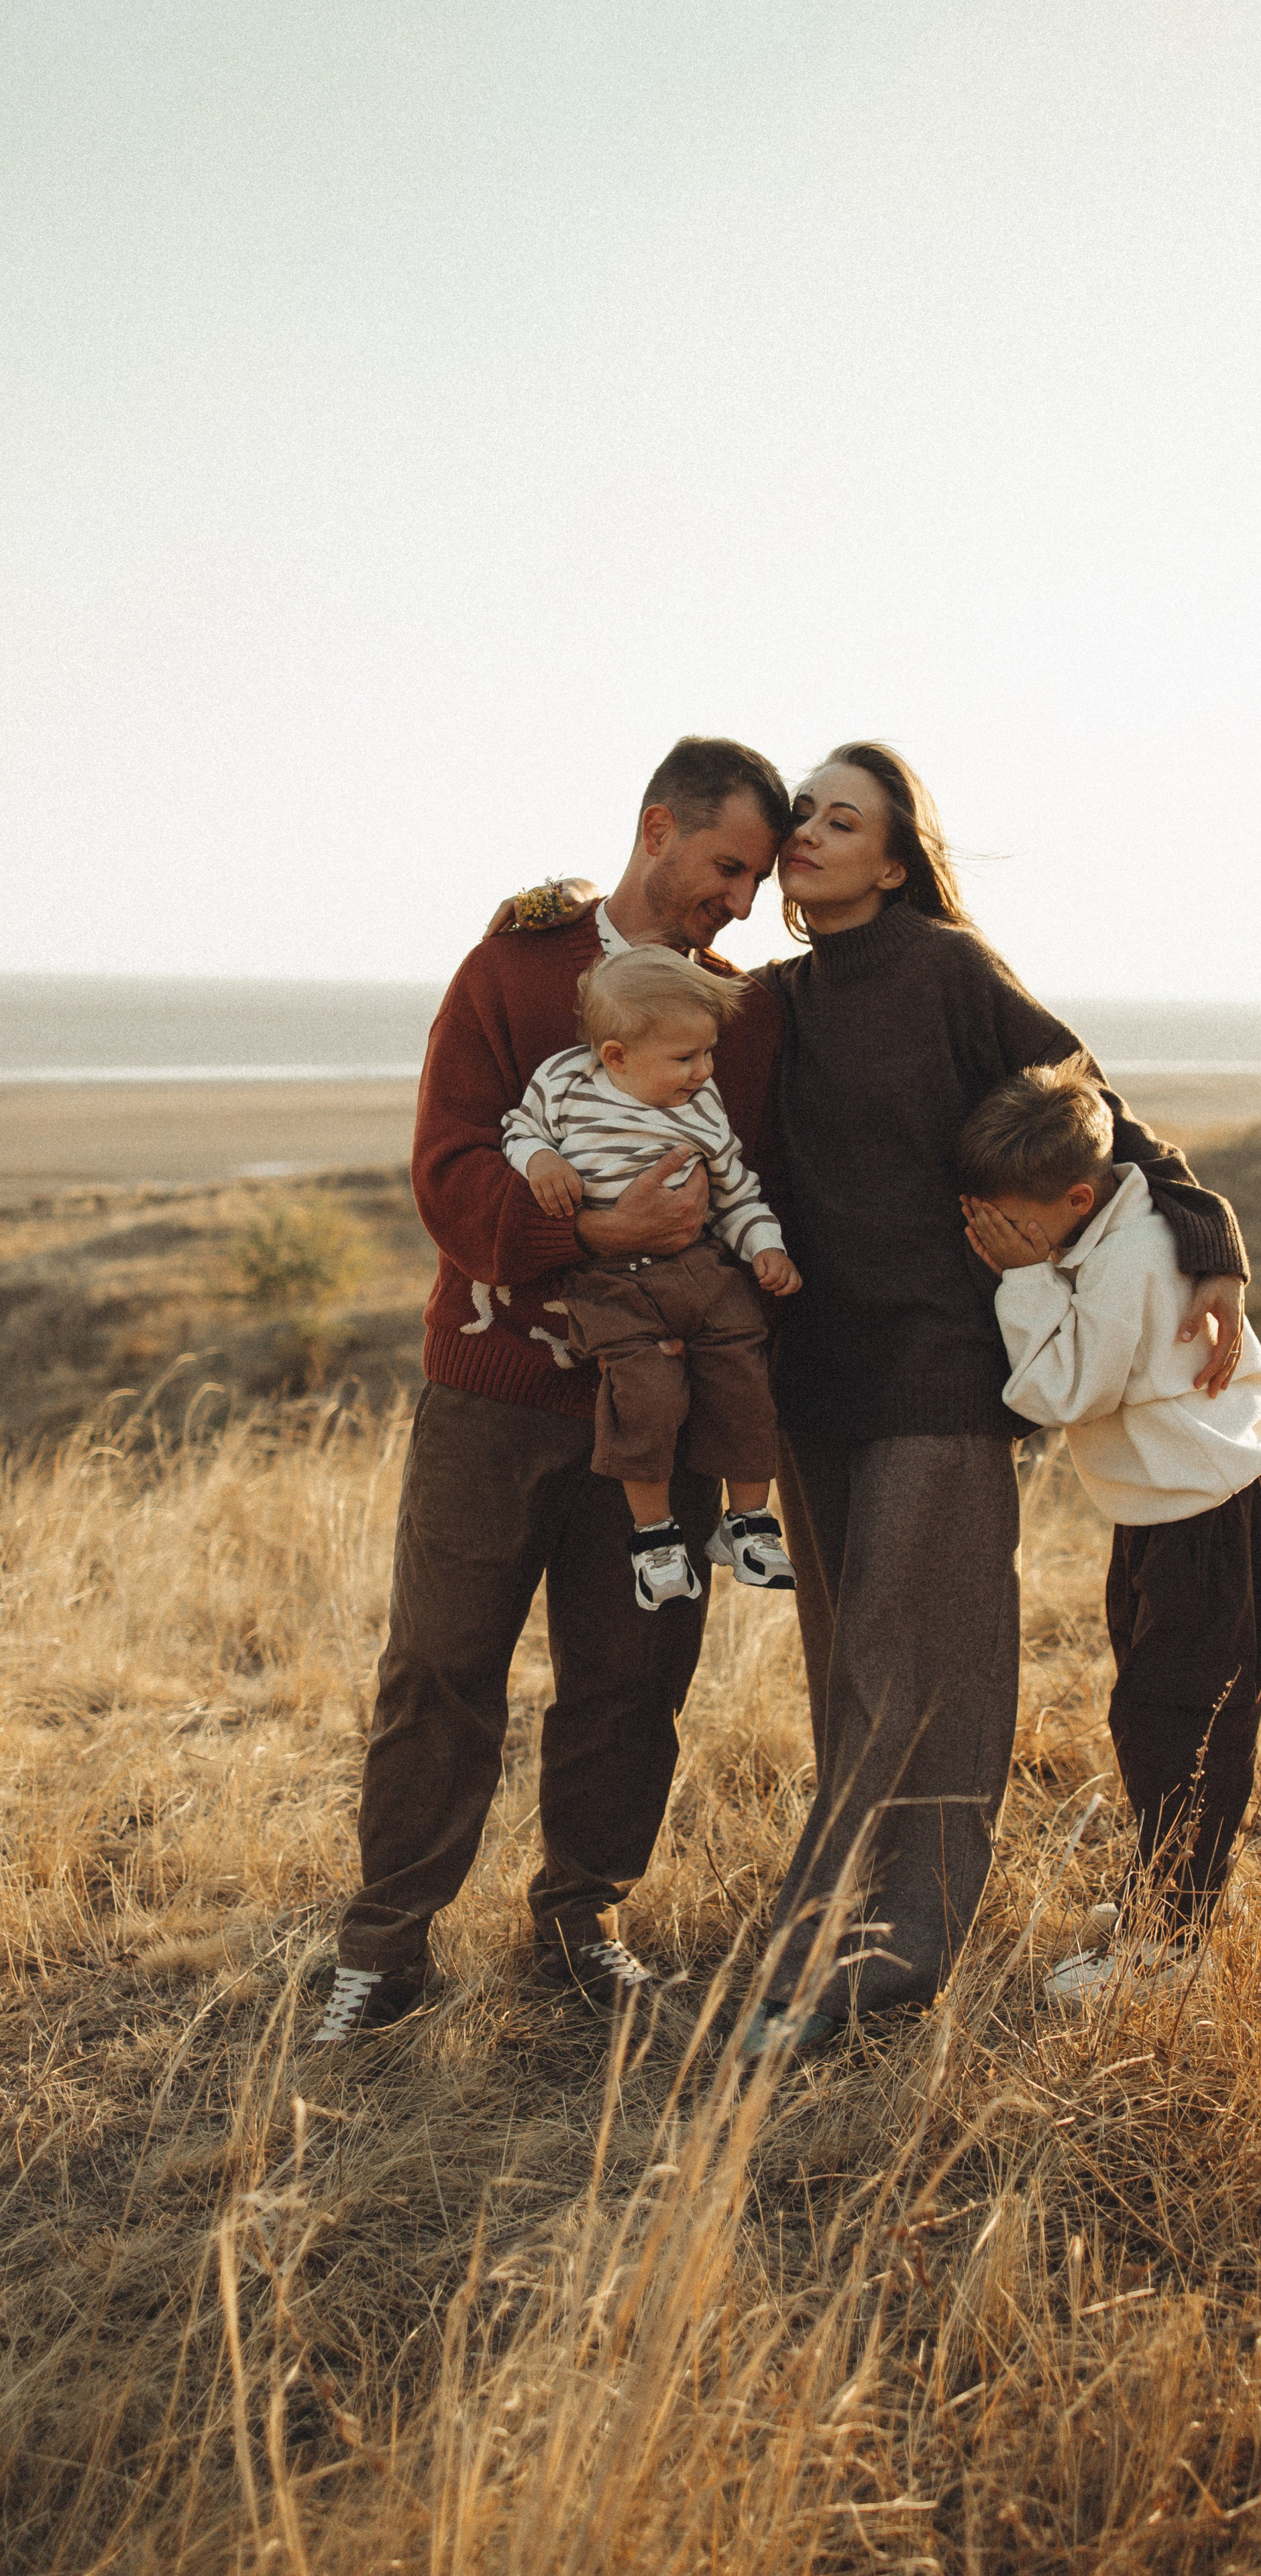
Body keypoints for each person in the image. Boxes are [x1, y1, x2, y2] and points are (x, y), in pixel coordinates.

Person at [730, 744, 1252, 2059]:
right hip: (816, 1379)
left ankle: (875, 1957)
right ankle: (848, 1922)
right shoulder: (773, 999)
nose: (809, 834)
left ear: (893, 861)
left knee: (917, 1664)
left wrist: (1204, 1232)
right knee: (848, 1668)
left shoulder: (945, 969)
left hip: (941, 1370)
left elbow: (1089, 1104)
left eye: (842, 820)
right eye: (802, 814)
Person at [311, 736, 791, 2046]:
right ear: (657, 828)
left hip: (663, 1417)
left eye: (757, 882)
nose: (740, 903)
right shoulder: (513, 970)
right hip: (495, 1396)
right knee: (439, 1667)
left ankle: (581, 1928)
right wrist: (590, 1233)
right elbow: (447, 1165)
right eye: (726, 868)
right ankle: (384, 1950)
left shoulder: (740, 1019)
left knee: (635, 1675)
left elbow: (756, 1187)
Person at [959, 1061, 1261, 2008]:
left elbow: (1063, 1390)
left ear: (1077, 1197)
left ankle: (1169, 1948)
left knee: (1182, 1723)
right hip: (1160, 1508)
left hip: (1199, 1515)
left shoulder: (1132, 1259)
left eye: (1012, 1222)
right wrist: (1035, 1256)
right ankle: (1164, 1901)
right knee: (1150, 1710)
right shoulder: (1112, 1222)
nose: (997, 1235)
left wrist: (1025, 1279)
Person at [500, 944, 800, 1609]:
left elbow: (735, 1190)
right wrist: (542, 1161)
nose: (704, 1070)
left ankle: (747, 1524)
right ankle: (656, 1538)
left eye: (709, 1052)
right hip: (608, 1282)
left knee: (745, 1373)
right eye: (686, 1057)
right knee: (646, 1397)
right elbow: (518, 1131)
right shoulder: (566, 1082)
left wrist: (764, 1247)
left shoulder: (701, 1105)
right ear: (616, 1056)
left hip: (697, 1267)